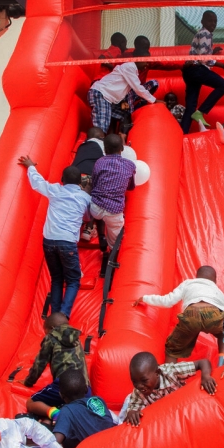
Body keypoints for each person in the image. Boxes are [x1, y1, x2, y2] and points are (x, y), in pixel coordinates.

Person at [19, 156, 92, 318]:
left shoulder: (55, 190)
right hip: (67, 242)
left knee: (57, 278)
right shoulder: (84, 198)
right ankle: (64, 315)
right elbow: (87, 217)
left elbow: (37, 183)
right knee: (73, 280)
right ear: (80, 182)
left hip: (49, 240)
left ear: (61, 180)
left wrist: (31, 167)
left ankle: (54, 314)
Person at [134, 265, 224, 363]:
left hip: (191, 315)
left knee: (172, 348)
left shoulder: (188, 284)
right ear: (214, 280)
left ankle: (169, 374)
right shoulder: (218, 291)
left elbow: (167, 301)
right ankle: (222, 362)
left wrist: (145, 298)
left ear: (196, 277)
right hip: (213, 316)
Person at [23, 312, 88, 421]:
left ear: (52, 328)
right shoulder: (76, 337)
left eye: (46, 331)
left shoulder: (51, 338)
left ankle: (56, 414)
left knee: (31, 403)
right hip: (83, 386)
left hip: (63, 386)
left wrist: (28, 382)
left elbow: (40, 363)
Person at [179, 10, 224, 134]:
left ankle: (183, 134)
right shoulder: (206, 33)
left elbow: (201, 53)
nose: (213, 23)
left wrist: (212, 52)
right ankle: (201, 112)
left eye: (215, 21)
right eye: (210, 20)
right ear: (202, 22)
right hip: (196, 70)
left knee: (190, 106)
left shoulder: (200, 33)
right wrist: (223, 65)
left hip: (189, 71)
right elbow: (204, 58)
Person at [125, 352, 216, 426]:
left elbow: (203, 362)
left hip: (180, 406)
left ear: (157, 373)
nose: (139, 386)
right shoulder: (138, 391)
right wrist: (132, 413)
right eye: (134, 381)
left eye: (144, 381)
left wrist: (206, 376)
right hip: (162, 417)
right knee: (127, 405)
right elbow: (132, 408)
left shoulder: (171, 372)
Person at [86, 48, 156, 134]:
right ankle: (94, 144)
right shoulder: (129, 67)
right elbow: (138, 88)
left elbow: (120, 88)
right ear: (138, 58)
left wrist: (122, 101)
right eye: (146, 61)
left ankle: (114, 138)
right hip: (101, 94)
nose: (147, 64)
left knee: (123, 114)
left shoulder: (132, 71)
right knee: (101, 127)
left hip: (109, 98)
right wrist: (154, 100)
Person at [89, 133, 136, 260]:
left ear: (105, 149)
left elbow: (94, 182)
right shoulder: (130, 165)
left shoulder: (99, 162)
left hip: (95, 208)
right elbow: (131, 186)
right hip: (114, 212)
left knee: (99, 208)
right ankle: (112, 255)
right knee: (116, 240)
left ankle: (101, 236)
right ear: (122, 148)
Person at [52, 369, 115, 448]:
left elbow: (55, 441)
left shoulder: (66, 411)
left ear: (61, 395)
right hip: (112, 445)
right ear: (86, 388)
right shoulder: (98, 400)